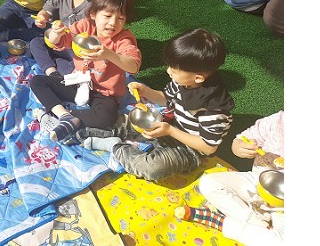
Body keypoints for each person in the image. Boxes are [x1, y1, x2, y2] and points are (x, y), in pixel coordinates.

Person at [85, 28, 234, 181]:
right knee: (121, 122)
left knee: (153, 168)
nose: (168, 71)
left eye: (174, 70)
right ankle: (88, 133)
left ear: (198, 78)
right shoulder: (184, 82)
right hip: (170, 126)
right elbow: (166, 99)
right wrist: (146, 91)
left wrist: (170, 131)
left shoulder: (214, 110)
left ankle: (115, 146)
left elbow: (208, 147)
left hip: (188, 149)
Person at [30, 0, 141, 142]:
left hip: (104, 93)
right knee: (37, 82)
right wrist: (56, 33)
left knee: (106, 118)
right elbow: (56, 42)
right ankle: (64, 116)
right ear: (94, 14)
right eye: (107, 16)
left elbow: (133, 65)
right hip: (78, 82)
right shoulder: (85, 27)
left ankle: (62, 116)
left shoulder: (123, 39)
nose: (113, 23)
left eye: (120, 18)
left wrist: (109, 54)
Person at [176, 111, 284, 245]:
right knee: (209, 183)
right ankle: (256, 223)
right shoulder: (278, 120)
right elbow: (242, 139)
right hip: (258, 182)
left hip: (284, 206)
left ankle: (221, 222)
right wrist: (240, 147)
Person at [30, 0, 104, 79]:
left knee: (83, 66)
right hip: (59, 40)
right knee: (36, 43)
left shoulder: (98, 2)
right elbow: (47, 9)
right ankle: (52, 72)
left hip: (80, 48)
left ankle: (60, 65)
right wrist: (42, 17)